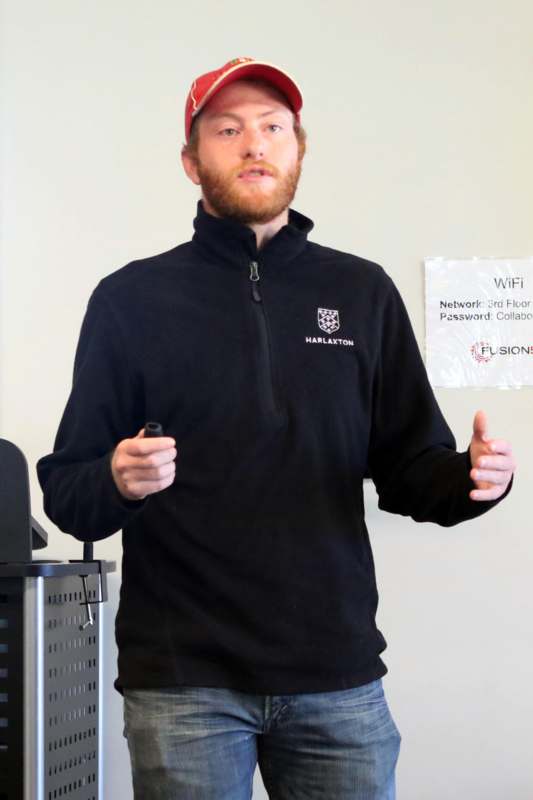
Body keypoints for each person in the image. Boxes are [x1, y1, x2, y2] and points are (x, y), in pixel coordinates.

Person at [36, 56, 516, 800]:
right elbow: (68, 490)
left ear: (298, 149)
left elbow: (409, 467)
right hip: (183, 682)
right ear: (192, 163)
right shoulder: (131, 299)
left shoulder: (359, 291)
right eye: (227, 130)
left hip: (336, 676)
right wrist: (114, 479)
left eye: (272, 127)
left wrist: (476, 479)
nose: (253, 144)